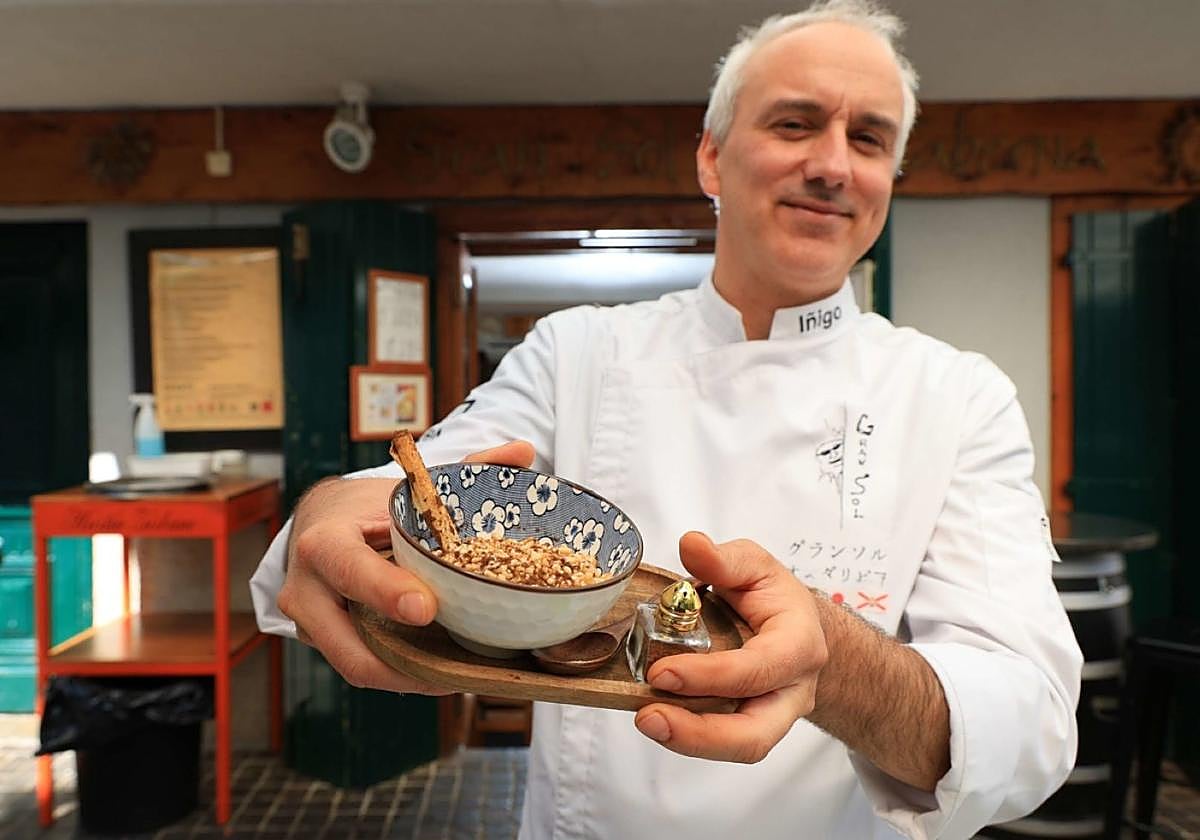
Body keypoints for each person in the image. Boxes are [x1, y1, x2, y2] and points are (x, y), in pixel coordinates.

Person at [251, 1, 1083, 837]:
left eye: (868, 139)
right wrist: (329, 508)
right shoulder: (576, 352)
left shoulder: (960, 396)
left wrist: (831, 662)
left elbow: (1027, 728)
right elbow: (422, 488)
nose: (833, 165)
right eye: (795, 124)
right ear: (712, 158)